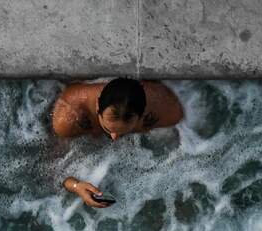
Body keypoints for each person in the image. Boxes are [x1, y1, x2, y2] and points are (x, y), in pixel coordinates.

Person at [52, 77, 184, 208]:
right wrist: (76, 186)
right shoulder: (69, 119)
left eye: (123, 132)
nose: (114, 138)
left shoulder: (165, 109)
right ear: (97, 106)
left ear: (142, 114)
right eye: (108, 129)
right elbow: (54, 170)